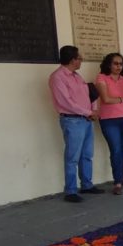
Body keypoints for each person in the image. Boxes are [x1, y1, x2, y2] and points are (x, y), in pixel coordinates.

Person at [49, 46, 103, 202]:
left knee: (87, 154)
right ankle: (71, 190)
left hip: (86, 119)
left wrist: (93, 109)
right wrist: (88, 112)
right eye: (79, 58)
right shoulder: (58, 77)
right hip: (72, 120)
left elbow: (88, 94)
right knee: (72, 157)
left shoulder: (77, 76)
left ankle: (87, 184)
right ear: (72, 60)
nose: (81, 61)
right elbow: (66, 102)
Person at [95, 53, 123, 195]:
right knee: (115, 149)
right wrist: (122, 100)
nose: (118, 66)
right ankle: (118, 182)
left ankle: (120, 176)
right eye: (115, 63)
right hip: (109, 119)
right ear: (108, 64)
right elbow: (106, 99)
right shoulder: (102, 78)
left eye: (121, 64)